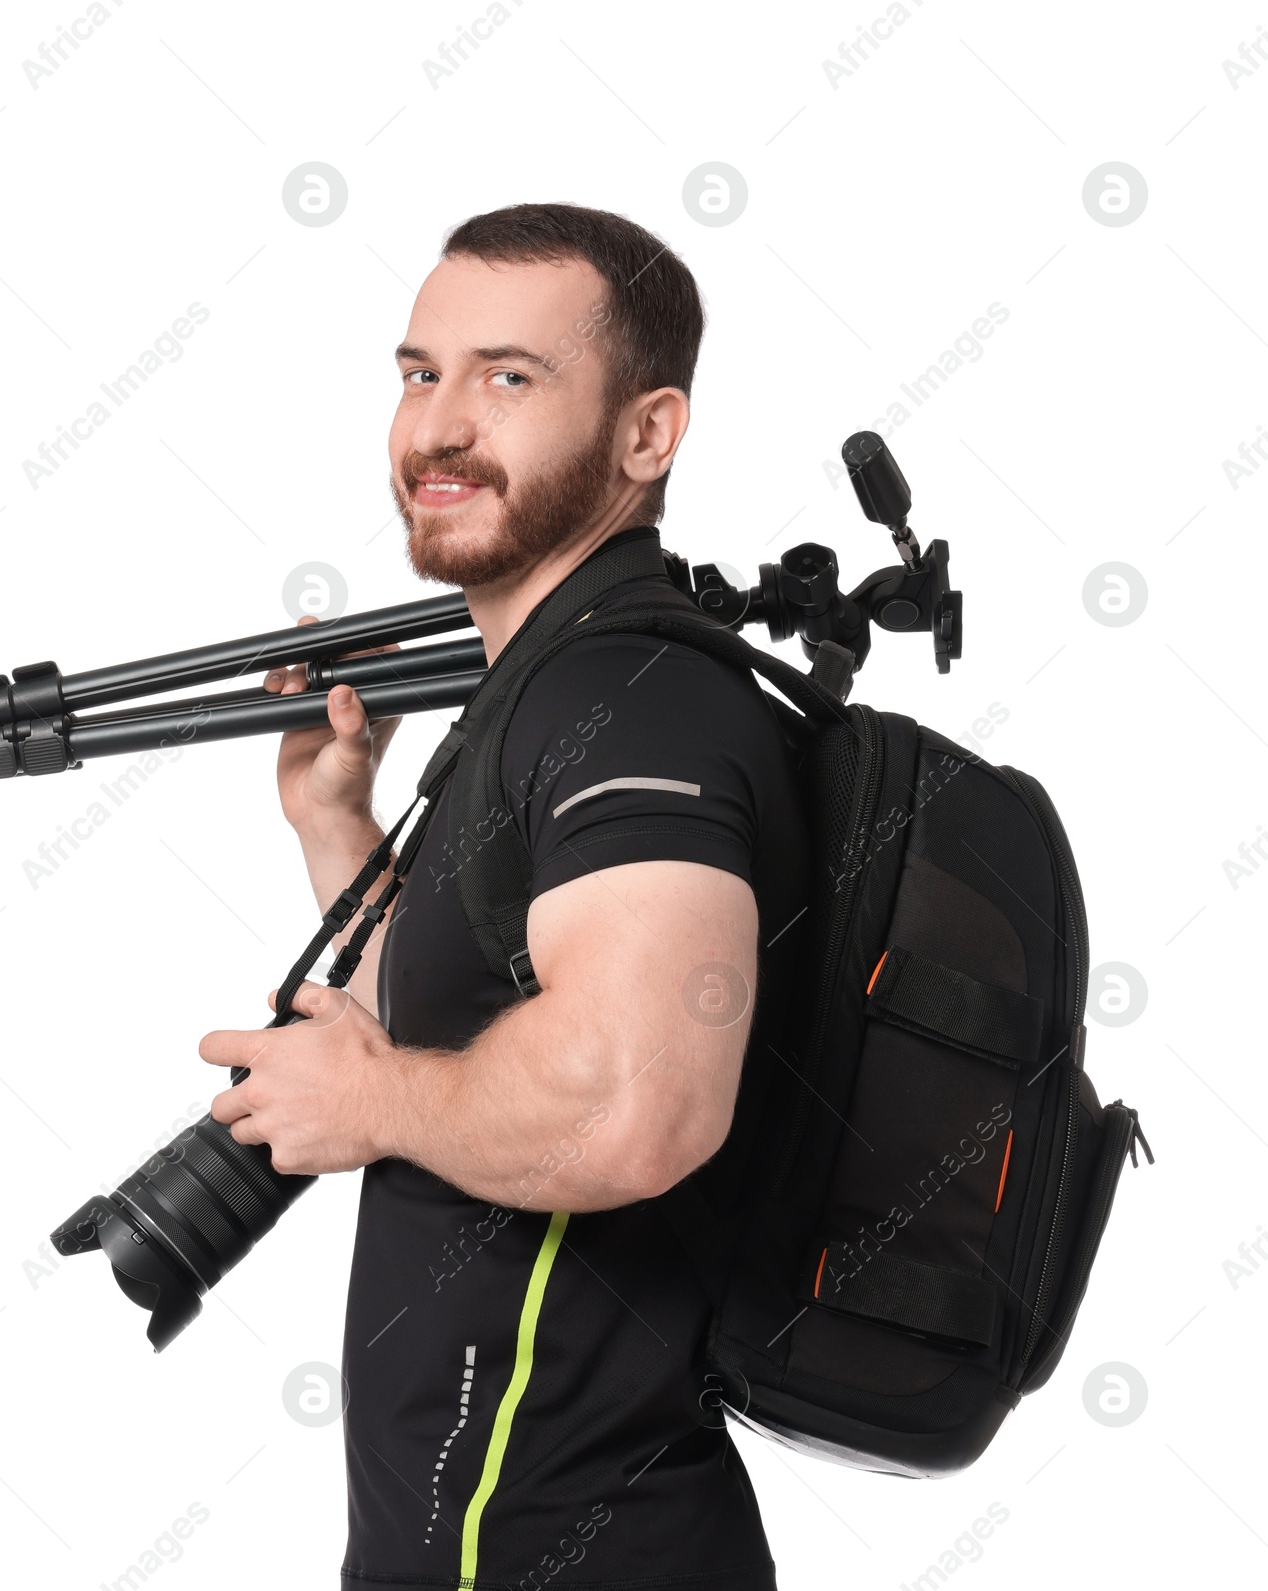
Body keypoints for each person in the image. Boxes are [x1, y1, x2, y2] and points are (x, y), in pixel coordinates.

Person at [200, 203, 809, 1590]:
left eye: (509, 378)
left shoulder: (635, 697)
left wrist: (367, 1105)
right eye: (423, 373)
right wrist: (337, 824)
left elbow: (633, 1103)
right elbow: (465, 1021)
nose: (441, 425)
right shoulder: (543, 690)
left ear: (649, 436)